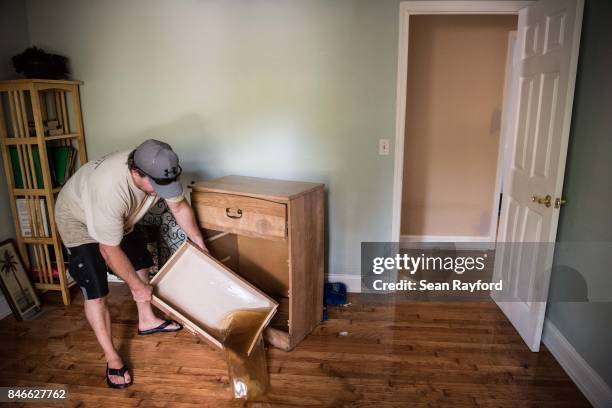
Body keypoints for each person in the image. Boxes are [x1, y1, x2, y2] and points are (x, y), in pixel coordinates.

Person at [55, 139, 207, 389]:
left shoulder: (160, 168)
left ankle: (146, 321)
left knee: (140, 259)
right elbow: (108, 249)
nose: (161, 192)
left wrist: (200, 244)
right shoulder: (110, 190)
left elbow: (179, 207)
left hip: (118, 219)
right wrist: (136, 287)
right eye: (156, 186)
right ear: (136, 172)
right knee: (96, 290)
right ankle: (111, 357)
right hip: (78, 221)